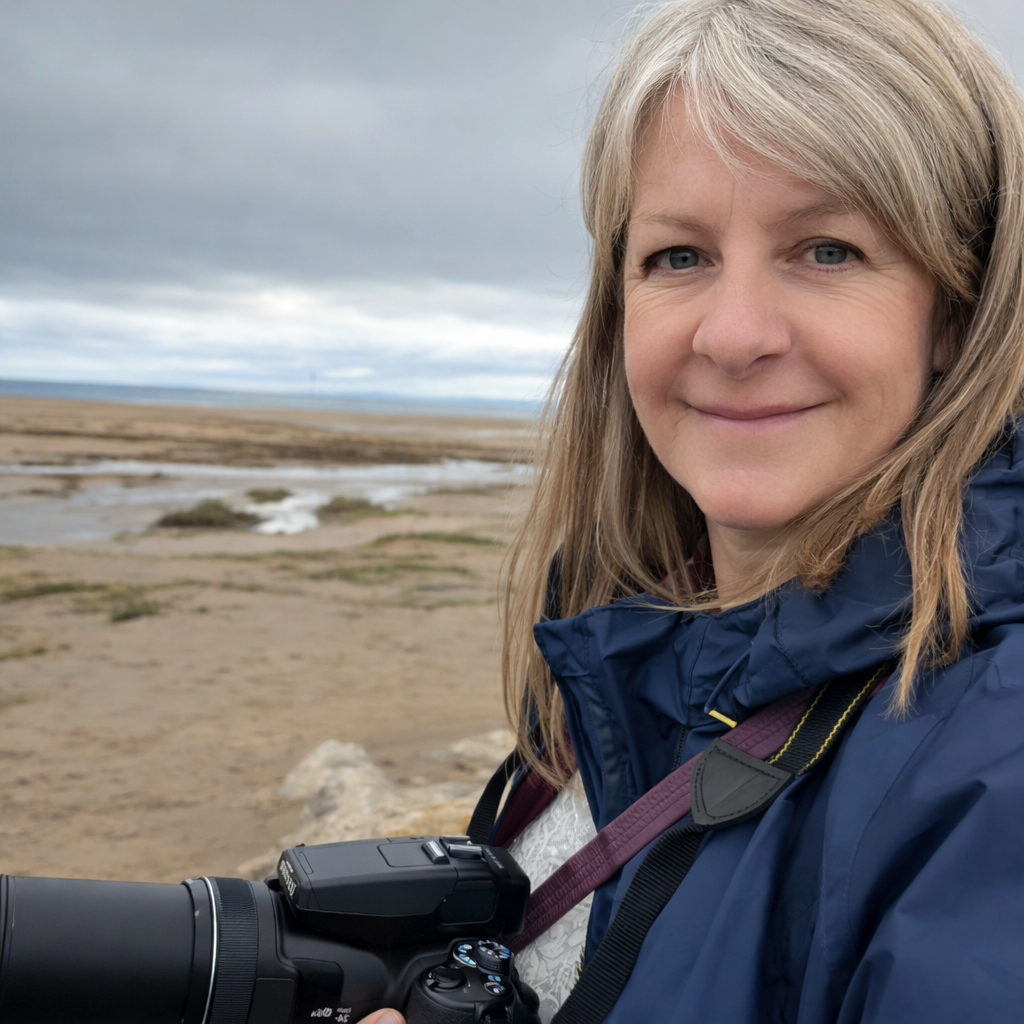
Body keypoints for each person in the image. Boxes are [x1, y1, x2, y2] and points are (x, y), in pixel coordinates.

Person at [360, 0, 1024, 1020]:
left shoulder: (993, 758)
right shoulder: (626, 647)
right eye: (679, 256)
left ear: (956, 312)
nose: (734, 333)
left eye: (828, 249)